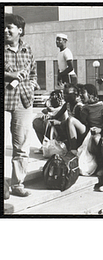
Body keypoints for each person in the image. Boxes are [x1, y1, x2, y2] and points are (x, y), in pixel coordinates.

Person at [4, 13, 39, 197]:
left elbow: (33, 73)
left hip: (23, 101)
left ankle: (17, 184)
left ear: (20, 30)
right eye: (4, 26)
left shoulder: (28, 50)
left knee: (22, 146)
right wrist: (9, 76)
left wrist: (31, 85)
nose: (6, 30)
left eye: (10, 26)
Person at [67, 84, 103, 155]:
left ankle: (101, 162)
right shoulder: (84, 107)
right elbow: (83, 123)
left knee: (96, 139)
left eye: (83, 93)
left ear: (91, 95)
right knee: (71, 120)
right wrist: (83, 114)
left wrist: (100, 129)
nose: (80, 96)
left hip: (99, 132)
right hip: (88, 131)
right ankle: (73, 150)